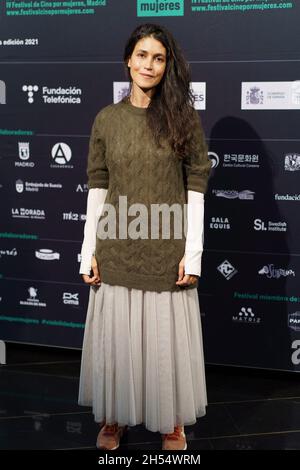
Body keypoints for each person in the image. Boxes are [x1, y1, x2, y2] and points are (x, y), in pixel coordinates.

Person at [78, 23, 212, 451]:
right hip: (116, 247)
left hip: (165, 248)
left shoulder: (183, 118)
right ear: (127, 61)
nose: (148, 65)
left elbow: (196, 185)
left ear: (167, 64)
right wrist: (89, 252)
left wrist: (192, 255)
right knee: (117, 343)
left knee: (163, 345)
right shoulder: (107, 119)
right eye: (141, 55)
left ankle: (171, 421)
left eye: (157, 57)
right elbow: (98, 186)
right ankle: (115, 418)